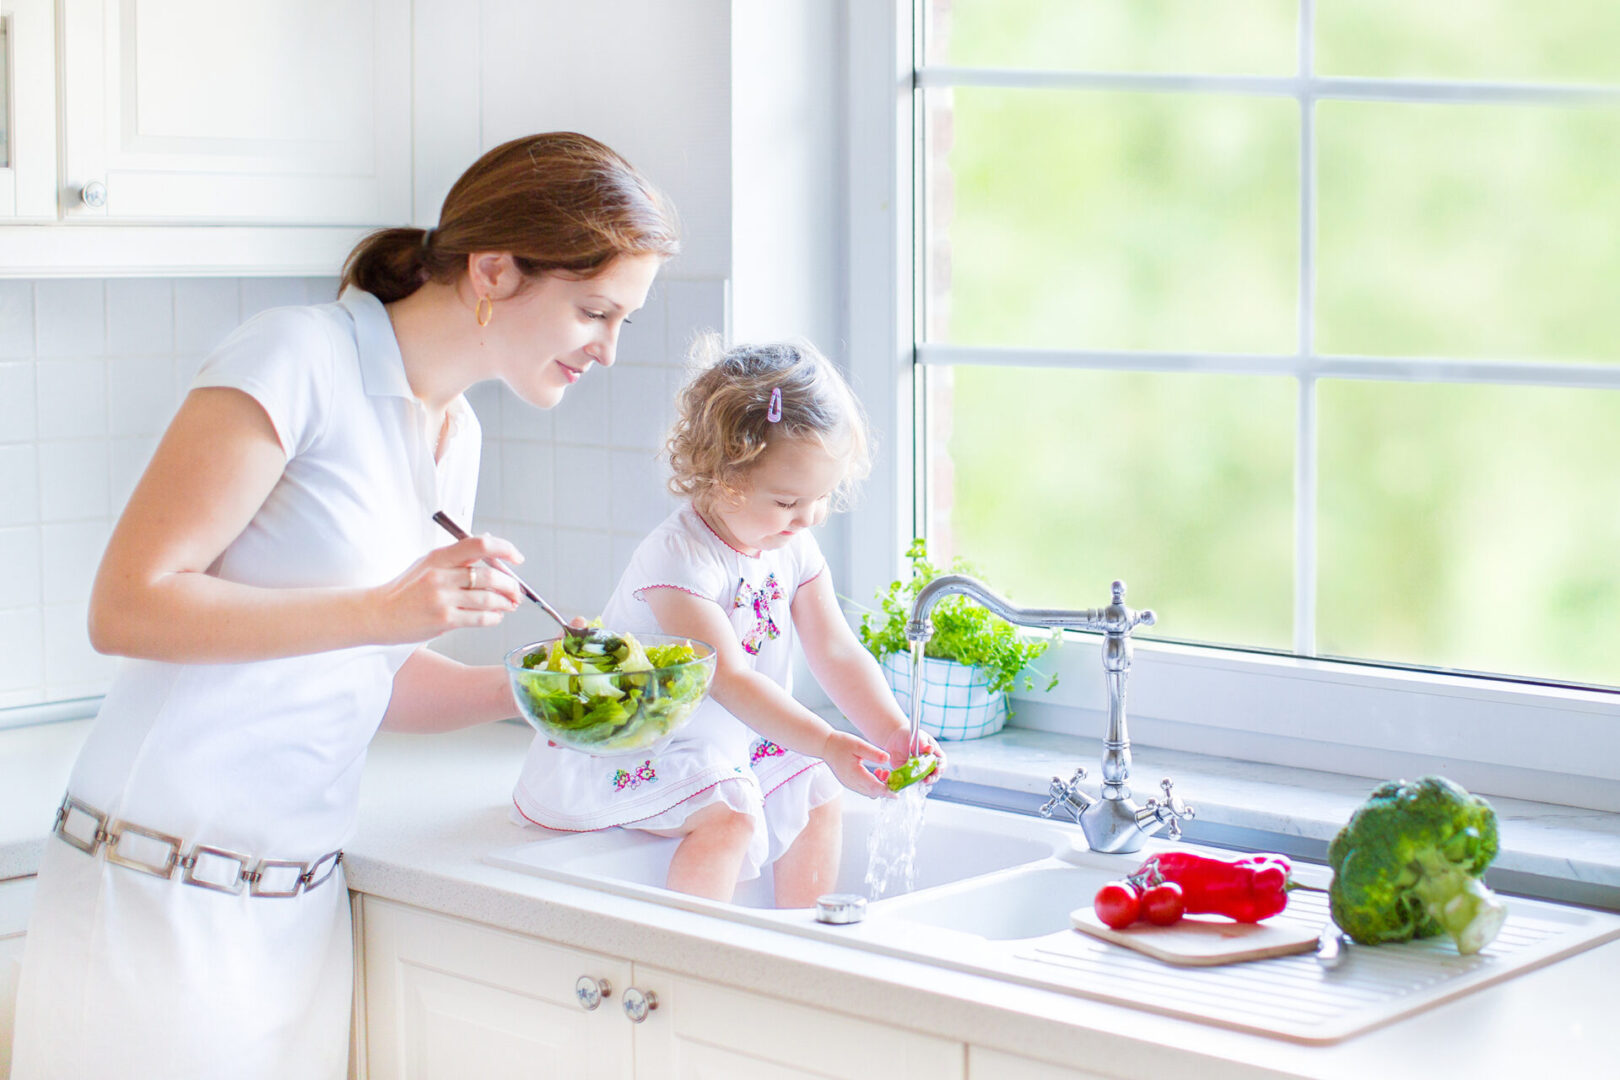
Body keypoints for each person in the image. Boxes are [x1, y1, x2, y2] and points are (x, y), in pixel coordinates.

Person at [11, 132, 679, 1080]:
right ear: (494, 272)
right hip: (153, 896)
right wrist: (381, 609)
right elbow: (127, 606)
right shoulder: (296, 357)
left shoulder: (457, 432)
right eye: (594, 311)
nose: (608, 350)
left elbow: (377, 676)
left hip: (297, 912)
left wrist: (553, 694)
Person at [511, 337, 946, 906]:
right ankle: (696, 962)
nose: (808, 517)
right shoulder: (679, 558)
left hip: (730, 740)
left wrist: (890, 730)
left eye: (822, 497)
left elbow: (836, 651)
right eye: (789, 501)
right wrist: (827, 741)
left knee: (816, 789)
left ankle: (797, 954)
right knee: (730, 815)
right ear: (722, 476)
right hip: (649, 747)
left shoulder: (794, 546)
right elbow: (731, 678)